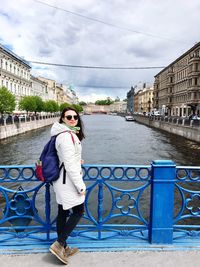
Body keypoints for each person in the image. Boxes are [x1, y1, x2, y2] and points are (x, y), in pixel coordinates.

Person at [49, 107, 86, 264]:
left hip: (62, 179)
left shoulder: (63, 134)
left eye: (75, 117)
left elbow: (67, 158)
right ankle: (59, 244)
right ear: (62, 119)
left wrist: (77, 160)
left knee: (63, 212)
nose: (72, 119)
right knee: (78, 211)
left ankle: (63, 247)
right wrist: (80, 186)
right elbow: (69, 164)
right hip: (68, 182)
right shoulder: (66, 136)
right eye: (68, 116)